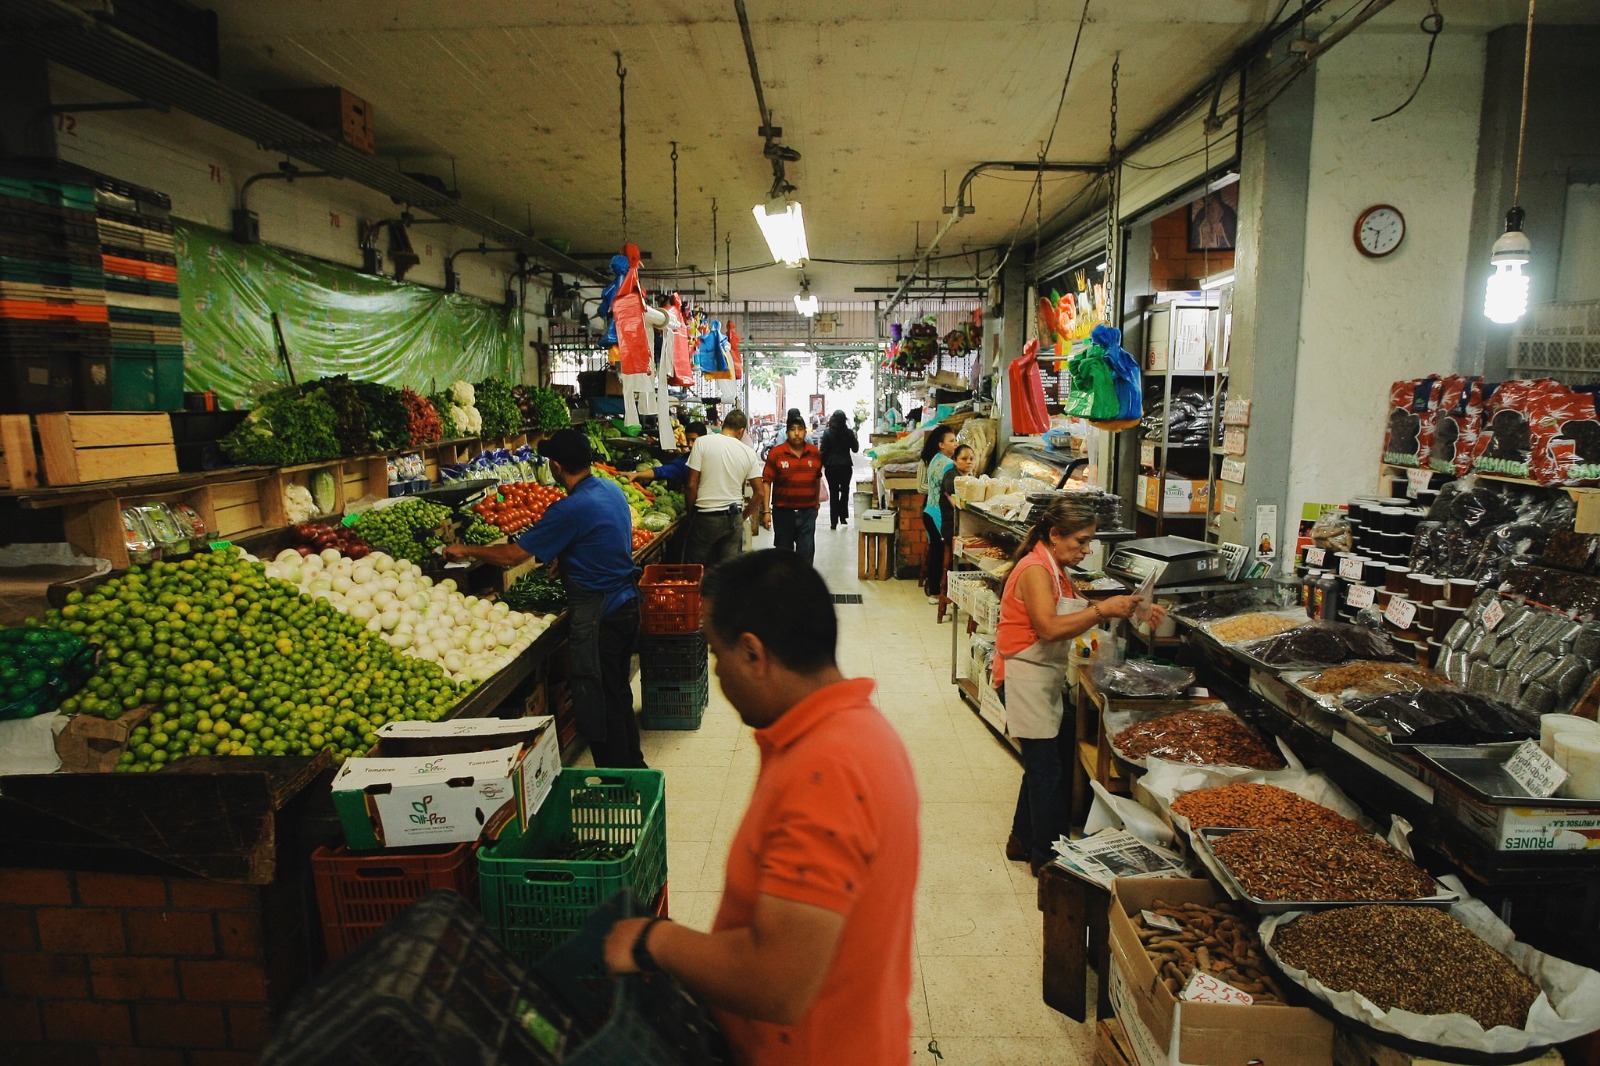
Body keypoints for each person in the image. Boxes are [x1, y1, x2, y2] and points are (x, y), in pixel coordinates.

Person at [602, 551, 919, 1064]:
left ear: (753, 654)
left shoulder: (828, 772)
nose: (718, 675)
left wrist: (653, 940)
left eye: (715, 655)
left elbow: (778, 984)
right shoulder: (856, 731)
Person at [442, 428, 644, 769]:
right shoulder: (608, 490)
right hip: (625, 605)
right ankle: (633, 768)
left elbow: (512, 555)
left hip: (600, 614)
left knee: (597, 699)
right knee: (616, 692)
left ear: (556, 466)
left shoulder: (571, 508)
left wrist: (465, 549)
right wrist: (568, 559)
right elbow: (605, 539)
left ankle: (615, 779)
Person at [994, 498, 1163, 874]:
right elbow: (1050, 628)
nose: (1087, 550)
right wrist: (1104, 611)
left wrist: (1131, 607)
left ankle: (1022, 840)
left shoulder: (1054, 567)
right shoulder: (1035, 570)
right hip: (1022, 676)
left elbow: (1076, 605)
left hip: (1039, 676)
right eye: (1081, 542)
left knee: (1042, 766)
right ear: (1055, 535)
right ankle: (1050, 863)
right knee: (1048, 771)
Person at [685, 408, 766, 567]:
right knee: (728, 571)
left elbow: (691, 484)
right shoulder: (748, 452)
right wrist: (742, 516)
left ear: (723, 424)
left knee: (696, 569)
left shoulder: (703, 442)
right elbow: (760, 493)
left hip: (705, 517)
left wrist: (691, 513)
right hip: (732, 517)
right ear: (741, 431)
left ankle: (698, 591)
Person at [763, 415, 824, 567]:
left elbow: (817, 479)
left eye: (800, 429)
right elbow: (767, 482)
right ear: (787, 432)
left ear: (805, 432)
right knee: (784, 556)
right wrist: (766, 511)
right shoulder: (776, 453)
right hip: (783, 513)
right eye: (792, 430)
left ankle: (803, 588)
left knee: (806, 553)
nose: (797, 433)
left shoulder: (814, 453)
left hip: (807, 513)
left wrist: (816, 503)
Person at [919, 425, 958, 606]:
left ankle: (932, 589)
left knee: (935, 551)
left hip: (929, 510)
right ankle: (935, 592)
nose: (955, 444)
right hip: (939, 513)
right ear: (941, 444)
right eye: (951, 441)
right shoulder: (948, 464)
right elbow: (949, 491)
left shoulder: (934, 459)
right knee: (939, 553)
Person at [626, 422, 705, 486]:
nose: (690, 444)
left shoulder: (713, 458)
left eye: (694, 440)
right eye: (688, 440)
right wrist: (636, 475)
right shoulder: (684, 461)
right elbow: (662, 471)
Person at [819, 409, 859, 530]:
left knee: (834, 493)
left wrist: (822, 465)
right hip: (846, 466)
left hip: (831, 467)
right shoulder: (849, 433)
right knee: (845, 492)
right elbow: (855, 449)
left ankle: (833, 521)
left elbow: (823, 452)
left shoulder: (827, 433)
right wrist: (854, 436)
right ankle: (843, 516)